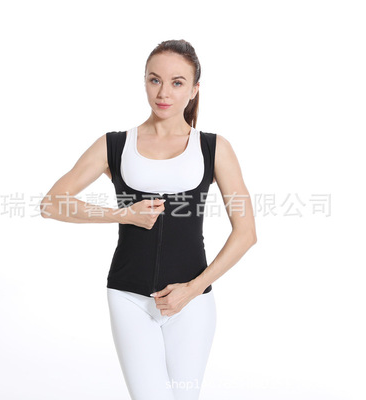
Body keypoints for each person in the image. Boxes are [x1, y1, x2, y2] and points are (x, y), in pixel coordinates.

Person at [40, 39, 257, 400]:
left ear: (194, 90)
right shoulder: (115, 144)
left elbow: (246, 233)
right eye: (154, 80)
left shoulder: (213, 147)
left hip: (192, 302)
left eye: (177, 82)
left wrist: (192, 290)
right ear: (144, 81)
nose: (163, 93)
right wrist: (122, 215)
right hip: (128, 297)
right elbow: (52, 204)